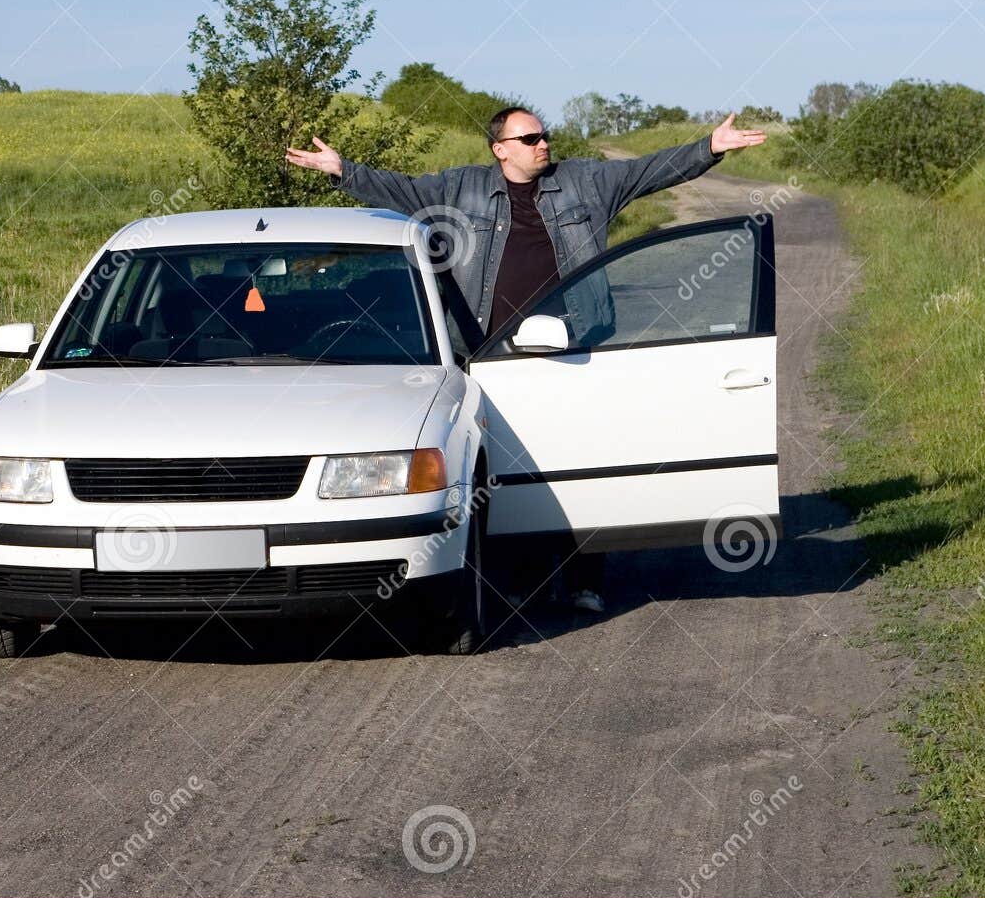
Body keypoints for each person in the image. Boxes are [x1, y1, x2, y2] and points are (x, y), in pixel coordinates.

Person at [286, 108, 767, 614]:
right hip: (492, 357)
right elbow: (402, 191)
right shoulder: (461, 188)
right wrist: (342, 170)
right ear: (500, 149)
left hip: (576, 350)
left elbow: (650, 170)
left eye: (545, 135)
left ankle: (585, 579)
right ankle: (520, 580)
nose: (544, 145)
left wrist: (710, 146)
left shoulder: (586, 181)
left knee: (579, 462)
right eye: (530, 137)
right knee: (505, 474)